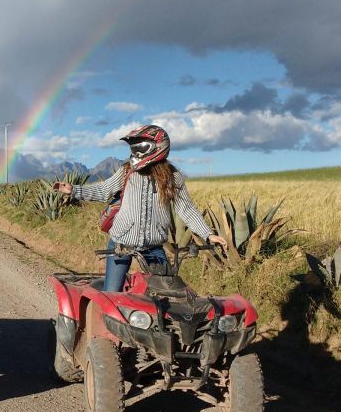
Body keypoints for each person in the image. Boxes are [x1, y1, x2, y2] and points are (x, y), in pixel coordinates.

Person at [52, 124, 228, 292]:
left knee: (164, 293)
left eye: (140, 147)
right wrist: (74, 190)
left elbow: (186, 209)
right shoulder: (127, 171)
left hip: (153, 247)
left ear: (158, 147)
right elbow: (104, 190)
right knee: (112, 294)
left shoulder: (173, 178)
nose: (135, 152)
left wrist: (208, 234)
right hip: (121, 243)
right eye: (133, 147)